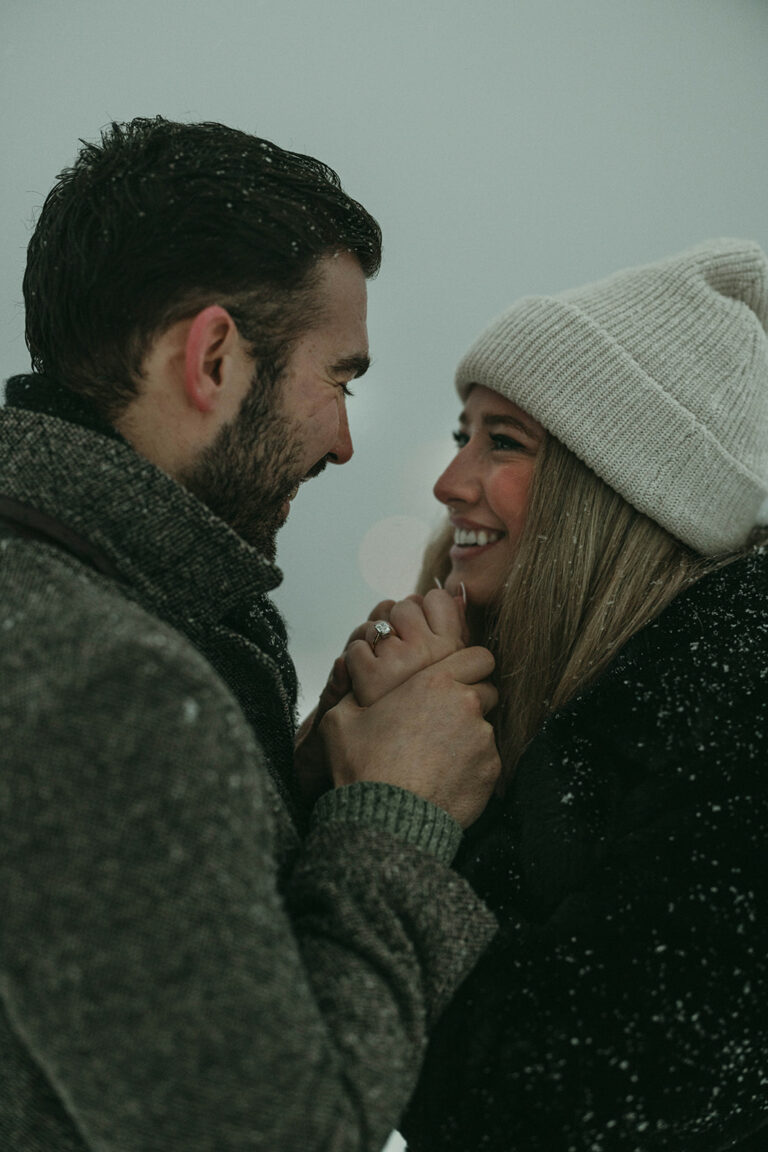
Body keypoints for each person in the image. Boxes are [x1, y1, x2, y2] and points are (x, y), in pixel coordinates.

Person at [0, 116, 502, 1152]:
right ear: (216, 357)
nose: (345, 439)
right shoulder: (103, 686)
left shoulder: (62, 611)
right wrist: (394, 818)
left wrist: (290, 787)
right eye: (340, 377)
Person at [335, 239, 768, 1150]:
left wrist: (400, 812)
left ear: (614, 489)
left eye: (504, 443)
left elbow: (560, 1100)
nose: (450, 482)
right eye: (463, 434)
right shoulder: (538, 691)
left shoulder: (740, 717)